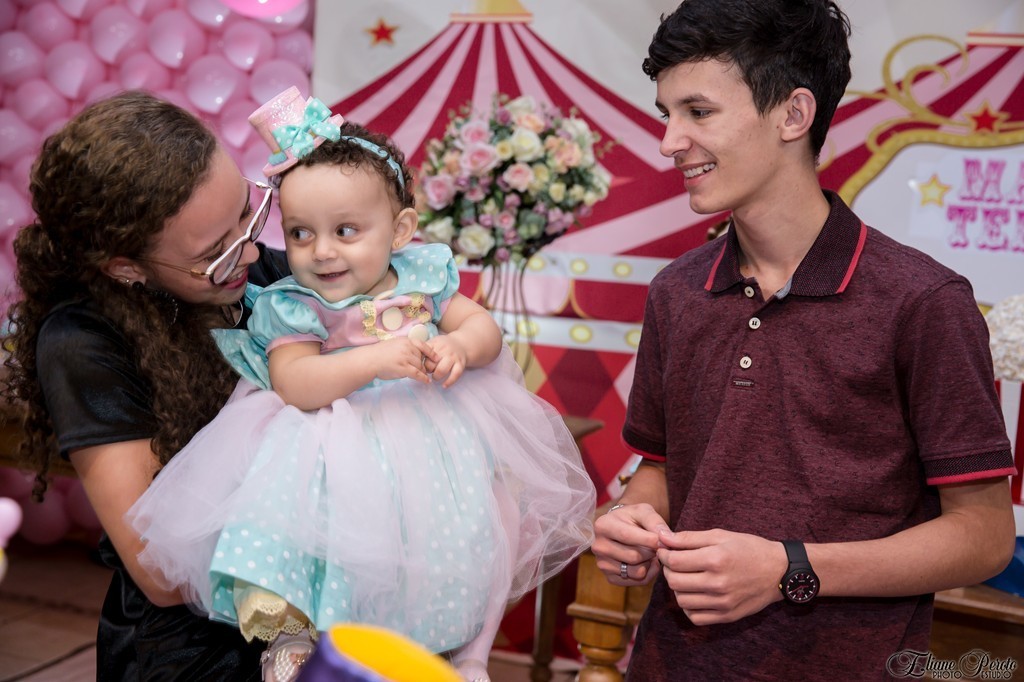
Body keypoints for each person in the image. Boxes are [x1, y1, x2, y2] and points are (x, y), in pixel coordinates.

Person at [590, 0, 1017, 679]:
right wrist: (631, 521)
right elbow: (663, 470)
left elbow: (985, 535)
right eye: (665, 115)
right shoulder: (676, 290)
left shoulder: (923, 301)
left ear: (793, 114)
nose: (669, 141)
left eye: (697, 113)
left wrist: (790, 569)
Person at [126, 87, 596, 682]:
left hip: (426, 436)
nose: (321, 252)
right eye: (300, 234)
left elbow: (483, 328)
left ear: (400, 229)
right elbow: (293, 380)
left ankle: (448, 649)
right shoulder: (295, 302)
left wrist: (459, 345)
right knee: (314, 536)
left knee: (450, 533)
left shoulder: (424, 276)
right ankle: (297, 637)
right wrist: (371, 362)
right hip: (327, 442)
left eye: (346, 230)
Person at [2, 91, 290, 680]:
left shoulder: (259, 274)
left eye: (249, 211)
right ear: (126, 266)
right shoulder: (83, 341)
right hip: (197, 649)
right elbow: (161, 573)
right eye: (217, 253)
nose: (255, 250)